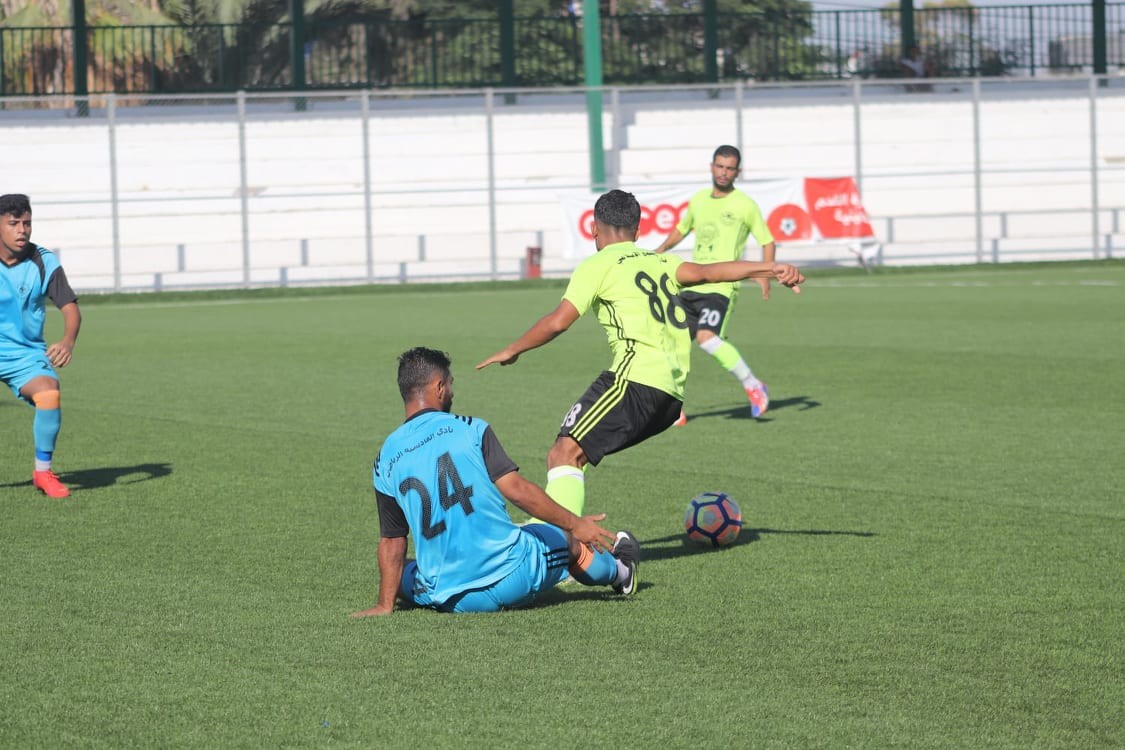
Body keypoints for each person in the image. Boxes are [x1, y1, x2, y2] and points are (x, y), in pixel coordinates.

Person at [476, 189, 803, 518]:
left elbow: (559, 321)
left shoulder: (597, 266)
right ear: (638, 230)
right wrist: (771, 268)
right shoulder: (661, 261)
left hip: (634, 382)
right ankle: (557, 531)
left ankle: (554, 539)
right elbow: (708, 272)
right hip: (671, 397)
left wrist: (513, 349)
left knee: (563, 454)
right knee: (575, 454)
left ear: (593, 228)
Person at [351, 347, 640, 617]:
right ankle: (620, 572)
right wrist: (575, 524)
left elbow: (392, 540)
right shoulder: (471, 428)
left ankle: (411, 593)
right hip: (513, 577)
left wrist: (384, 605)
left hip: (454, 599)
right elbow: (517, 490)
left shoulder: (385, 457)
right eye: (450, 384)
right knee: (565, 540)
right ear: (438, 387)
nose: (452, 392)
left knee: (404, 570)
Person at [653, 145, 778, 423]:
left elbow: (767, 241)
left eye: (730, 168)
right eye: (720, 166)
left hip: (722, 286)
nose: (724, 172)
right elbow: (681, 229)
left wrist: (766, 274)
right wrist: (659, 250)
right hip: (692, 284)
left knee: (706, 338)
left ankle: (754, 385)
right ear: (711, 167)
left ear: (738, 172)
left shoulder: (745, 205)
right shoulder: (699, 200)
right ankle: (673, 406)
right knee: (670, 343)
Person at [0, 194, 81, 499]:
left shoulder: (44, 261)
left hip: (25, 353)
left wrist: (68, 340)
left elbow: (70, 308)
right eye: (13, 223)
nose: (22, 230)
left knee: (49, 393)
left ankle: (42, 472)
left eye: (27, 223)